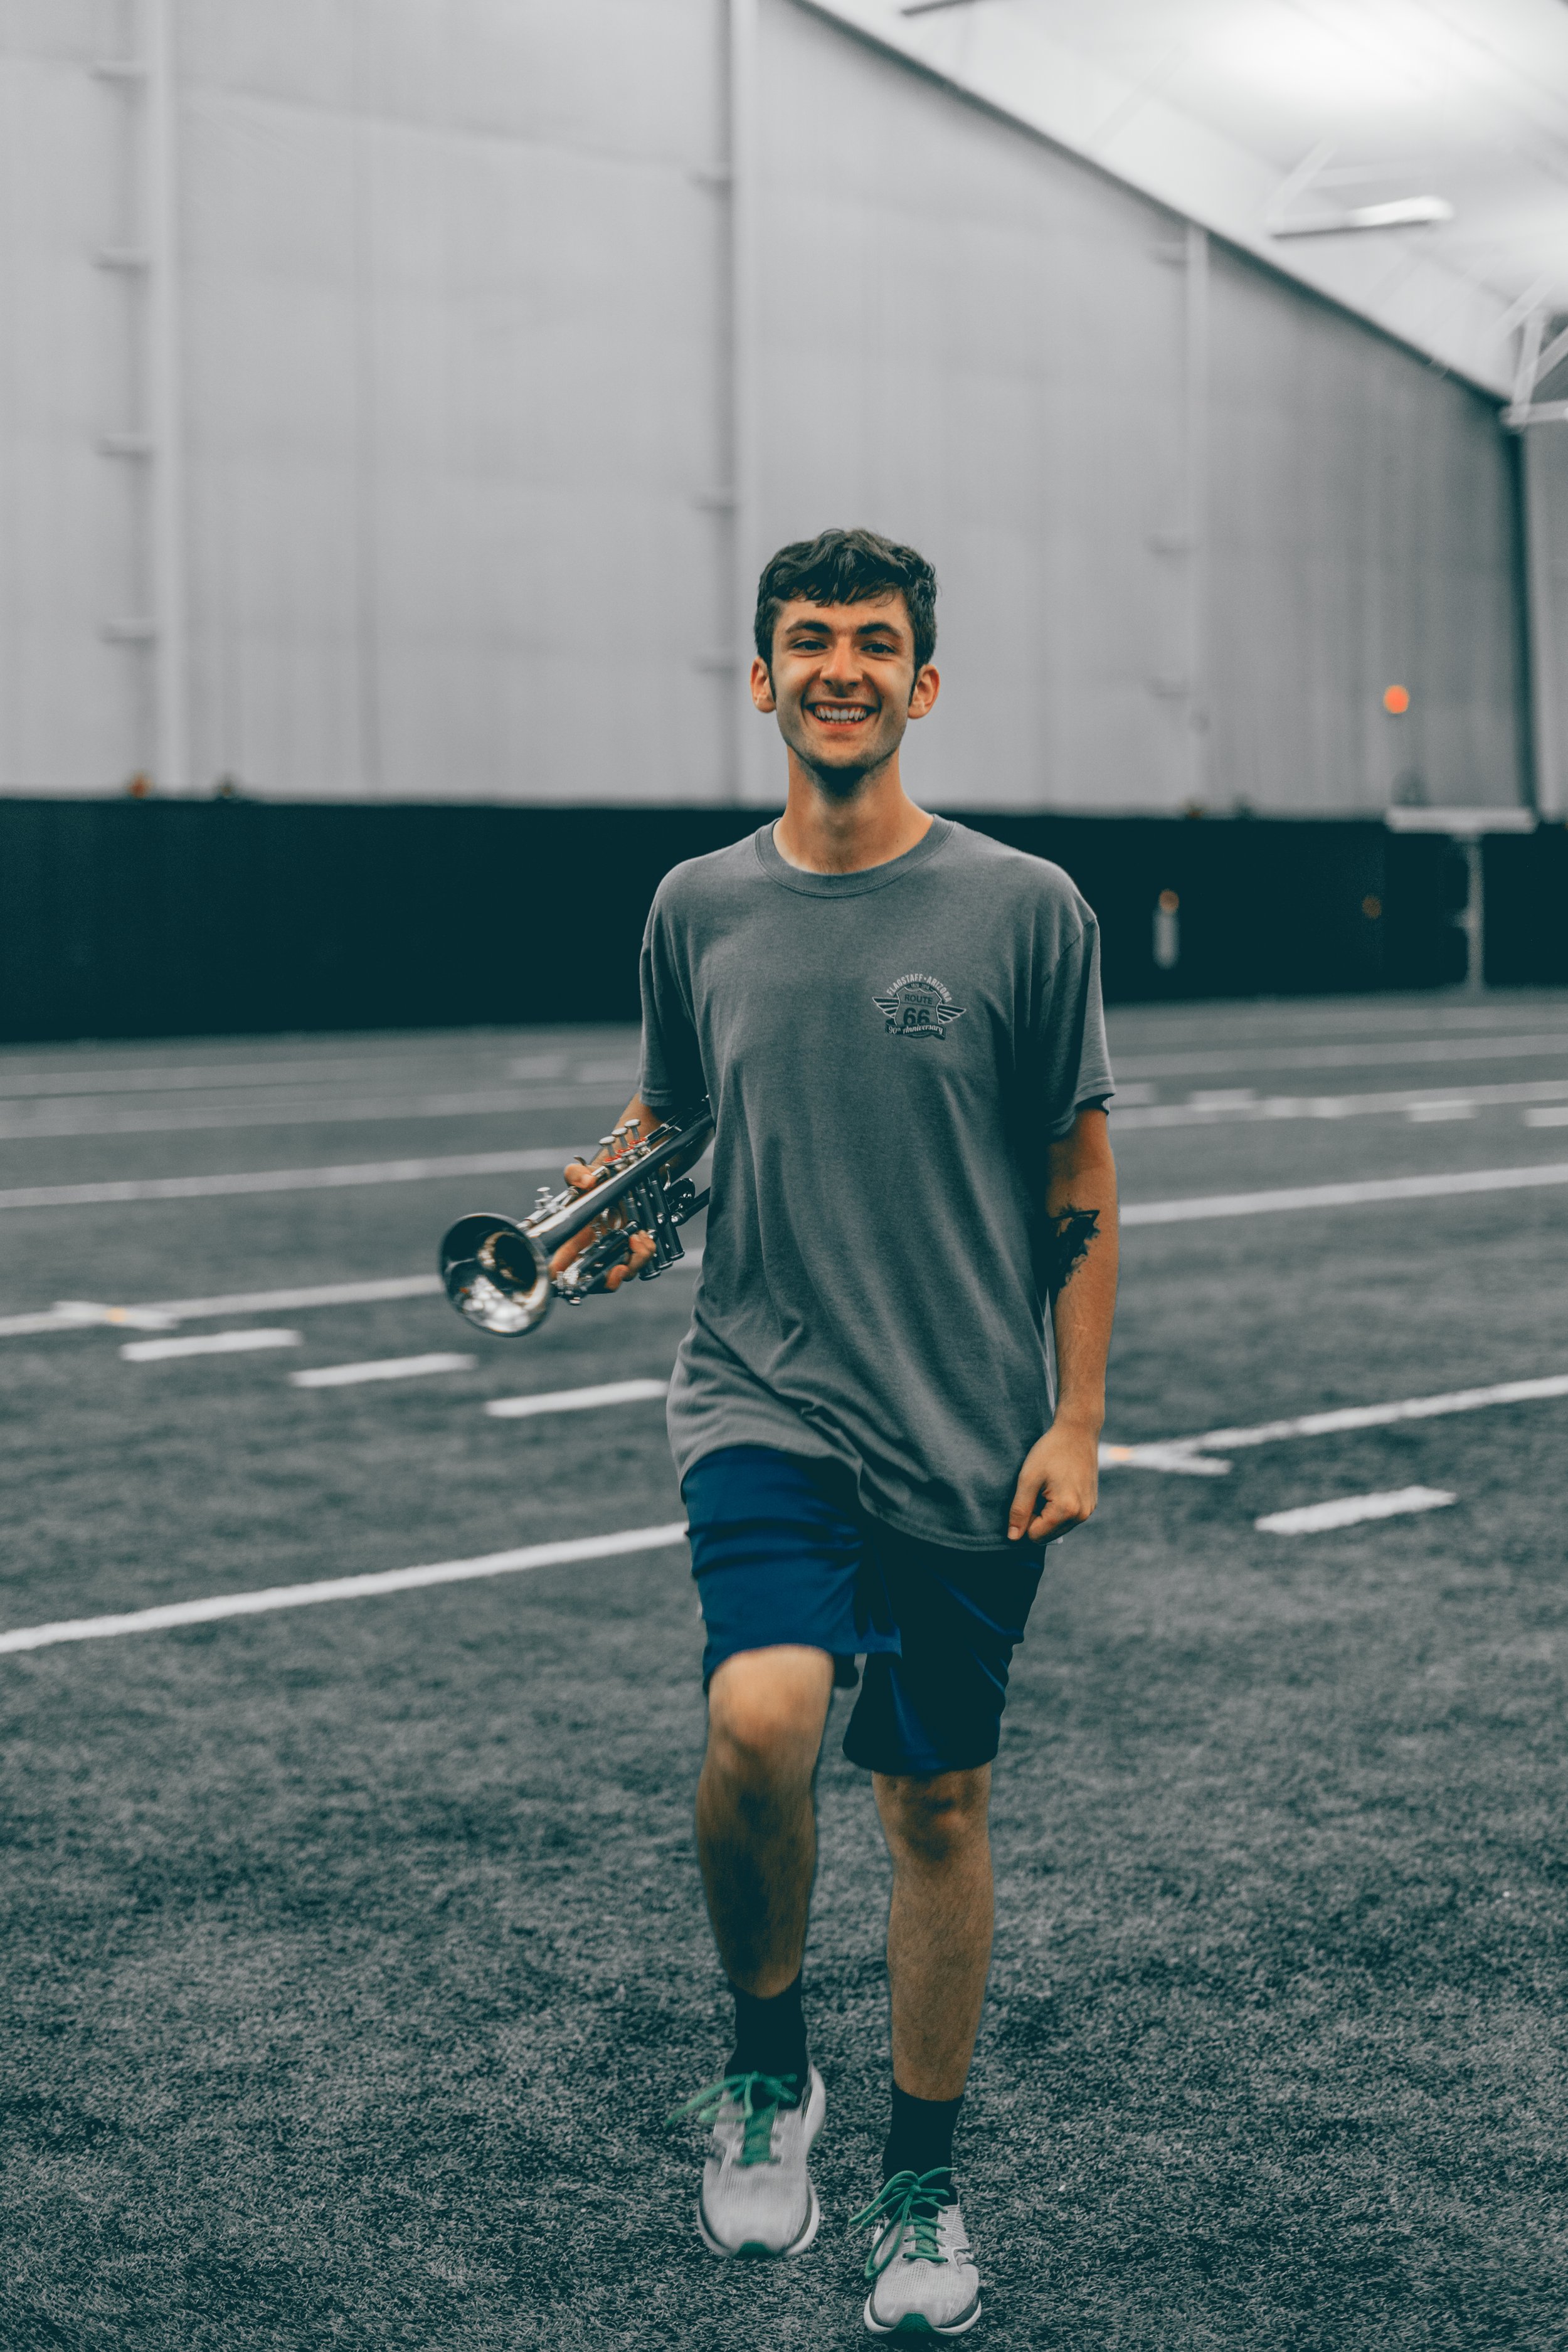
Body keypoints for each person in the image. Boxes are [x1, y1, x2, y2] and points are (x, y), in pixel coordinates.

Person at [556, 527, 1118, 2336]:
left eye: (874, 643)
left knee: (935, 1805)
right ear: (762, 677)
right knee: (762, 1705)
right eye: (807, 642)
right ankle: (764, 2064)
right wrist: (613, 1217)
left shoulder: (1026, 909)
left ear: (923, 683)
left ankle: (920, 2195)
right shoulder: (692, 907)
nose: (840, 669)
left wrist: (1079, 1418)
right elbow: (668, 1121)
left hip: (968, 1417)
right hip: (762, 1389)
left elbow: (1079, 1176)